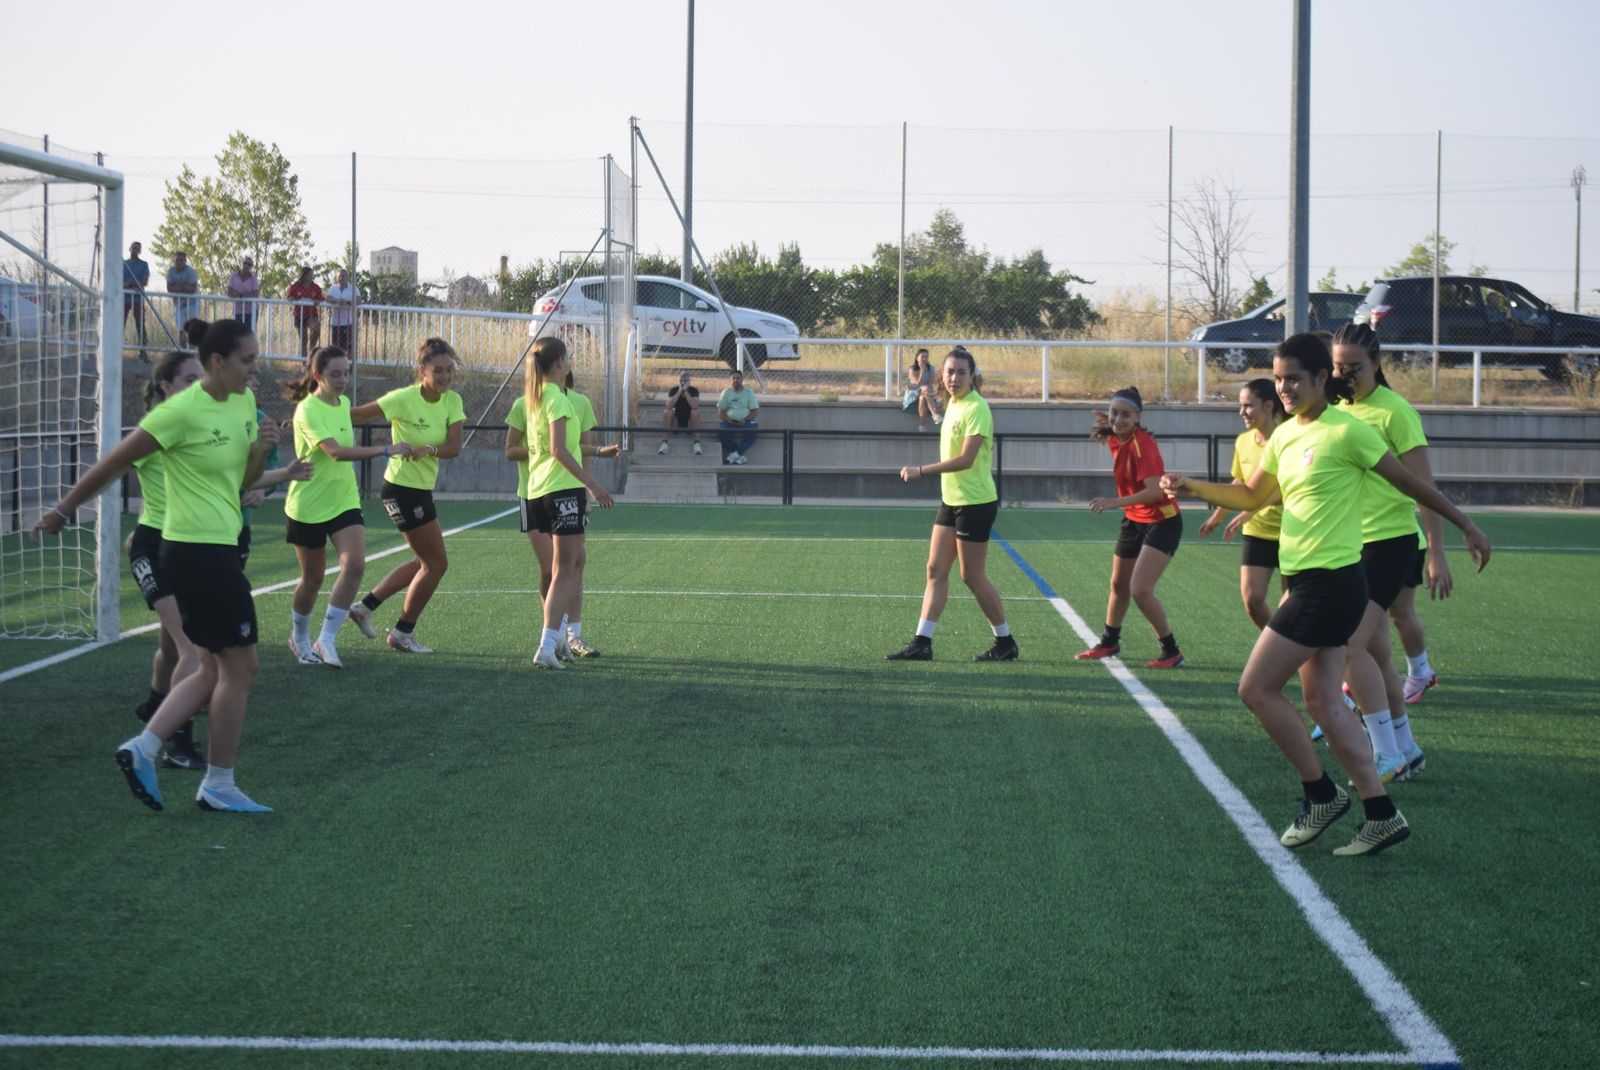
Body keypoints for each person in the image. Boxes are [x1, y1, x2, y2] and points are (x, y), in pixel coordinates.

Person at [1161, 333, 1490, 856]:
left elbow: (1411, 483)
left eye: (1294, 378)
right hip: (1310, 581)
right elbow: (1252, 495)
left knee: (1256, 689)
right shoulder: (1286, 436)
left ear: (1321, 378)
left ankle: (1320, 794)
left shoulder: (1348, 430)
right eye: (1278, 379)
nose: (1284, 388)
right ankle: (1381, 814)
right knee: (1323, 703)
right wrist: (1193, 486)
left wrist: (1463, 526)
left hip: (1330, 583)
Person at [32, 320, 310, 813]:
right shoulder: (179, 412)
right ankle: (218, 783)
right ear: (218, 362)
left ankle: (144, 746)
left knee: (210, 667)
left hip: (219, 547)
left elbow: (241, 481)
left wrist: (264, 450)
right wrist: (64, 508)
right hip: (195, 552)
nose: (256, 369)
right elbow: (113, 463)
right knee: (241, 668)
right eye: (247, 360)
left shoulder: (243, 403)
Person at [1329, 321, 1457, 779]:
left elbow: (1425, 486)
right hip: (1353, 542)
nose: (1345, 374)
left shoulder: (1394, 412)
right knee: (1378, 651)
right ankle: (1406, 747)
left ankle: (1385, 753)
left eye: (1354, 366)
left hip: (1390, 542)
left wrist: (1436, 551)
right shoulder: (1336, 410)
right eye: (1338, 366)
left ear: (1377, 363)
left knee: (1349, 646)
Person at [885, 346, 1017, 663]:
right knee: (935, 569)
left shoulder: (977, 408)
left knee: (971, 576)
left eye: (961, 372)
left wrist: (921, 470)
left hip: (975, 503)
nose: (954, 378)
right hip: (951, 501)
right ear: (941, 375)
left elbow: (966, 459)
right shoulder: (952, 404)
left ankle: (1005, 642)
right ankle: (922, 642)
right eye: (949, 372)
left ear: (972, 376)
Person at [283, 346, 400, 669]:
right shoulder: (307, 409)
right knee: (312, 579)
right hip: (308, 504)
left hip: (344, 499)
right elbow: (334, 452)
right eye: (335, 374)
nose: (342, 379)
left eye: (346, 373)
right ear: (317, 375)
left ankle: (326, 639)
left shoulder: (344, 404)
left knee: (355, 565)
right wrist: (384, 450)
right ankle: (299, 637)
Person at [347, 337, 465, 653]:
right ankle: (402, 632)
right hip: (401, 490)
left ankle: (364, 608)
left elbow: (454, 447)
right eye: (438, 371)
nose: (445, 376)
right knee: (436, 565)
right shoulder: (403, 398)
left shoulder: (452, 401)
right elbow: (356, 415)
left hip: (420, 491)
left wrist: (430, 449)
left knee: (423, 562)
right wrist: (315, 409)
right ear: (422, 371)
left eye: (449, 370)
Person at [127, 350, 207, 770]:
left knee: (172, 645)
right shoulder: (156, 429)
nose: (201, 388)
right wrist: (66, 508)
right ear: (166, 386)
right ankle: (178, 744)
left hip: (184, 545)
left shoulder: (192, 426)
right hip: (157, 547)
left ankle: (156, 705)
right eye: (191, 381)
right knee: (189, 646)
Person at [508, 365, 620, 661]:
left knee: (573, 563)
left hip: (566, 489)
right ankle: (551, 639)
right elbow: (523, 449)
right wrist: (541, 450)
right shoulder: (529, 402)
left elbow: (575, 448)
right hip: (537, 490)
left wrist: (595, 459)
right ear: (559, 364)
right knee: (555, 569)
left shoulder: (577, 402)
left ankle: (568, 635)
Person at [1077, 386, 1185, 669]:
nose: (1118, 419)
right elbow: (1111, 424)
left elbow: (1155, 492)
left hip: (1162, 521)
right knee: (1118, 584)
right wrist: (1107, 418)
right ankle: (1109, 642)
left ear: (1139, 417)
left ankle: (1171, 651)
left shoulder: (1143, 445)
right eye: (1114, 413)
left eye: (1126, 414)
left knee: (1140, 589)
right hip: (1134, 520)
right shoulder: (1116, 435)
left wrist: (1114, 502)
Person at [1197, 379, 1288, 630]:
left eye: (1248, 406)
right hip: (1257, 533)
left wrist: (1248, 512)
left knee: (1291, 605)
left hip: (1291, 533)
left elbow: (1285, 486)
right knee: (1252, 601)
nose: (1242, 412)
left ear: (1268, 405)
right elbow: (1240, 482)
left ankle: (1288, 646)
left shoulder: (1287, 438)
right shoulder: (1243, 441)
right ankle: (1277, 644)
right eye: (1240, 405)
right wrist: (1217, 517)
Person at [716, 369, 760, 465]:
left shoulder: (749, 392)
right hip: (729, 422)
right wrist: (727, 419)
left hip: (745, 421)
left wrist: (746, 419)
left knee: (754, 429)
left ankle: (734, 454)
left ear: (742, 379)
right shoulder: (726, 392)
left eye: (738, 378)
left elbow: (755, 411)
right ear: (730, 380)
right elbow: (720, 412)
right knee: (721, 431)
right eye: (733, 378)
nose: (735, 380)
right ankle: (738, 454)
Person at [658, 371, 703, 455]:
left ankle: (696, 443)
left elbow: (694, 405)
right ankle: (664, 443)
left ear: (689, 381)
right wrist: (679, 391)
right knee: (667, 411)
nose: (683, 383)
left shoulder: (694, 390)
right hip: (676, 422)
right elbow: (668, 405)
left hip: (690, 423)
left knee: (695, 412)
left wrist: (685, 391)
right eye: (681, 381)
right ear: (678, 380)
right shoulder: (673, 390)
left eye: (685, 381)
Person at [287, 266, 325, 360]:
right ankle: (304, 363)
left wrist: (317, 301)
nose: (312, 276)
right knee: (303, 339)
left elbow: (321, 298)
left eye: (312, 275)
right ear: (304, 275)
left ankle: (311, 349)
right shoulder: (295, 286)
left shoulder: (315, 287)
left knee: (316, 330)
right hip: (299, 315)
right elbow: (289, 297)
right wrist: (292, 298)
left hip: (312, 314)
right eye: (309, 274)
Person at [905, 348, 942, 431]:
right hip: (914, 392)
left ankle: (921, 426)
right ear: (917, 358)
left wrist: (925, 389)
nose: (924, 359)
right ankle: (935, 414)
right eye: (922, 357)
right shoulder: (912, 369)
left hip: (926, 393)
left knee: (923, 398)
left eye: (926, 357)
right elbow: (918, 384)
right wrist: (922, 370)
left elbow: (930, 384)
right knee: (925, 390)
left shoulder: (931, 368)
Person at [122, 241, 151, 349]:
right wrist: (131, 285)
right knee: (120, 324)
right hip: (123, 299)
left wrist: (132, 285)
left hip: (138, 299)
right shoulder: (123, 264)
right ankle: (117, 349)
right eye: (134, 248)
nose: (135, 250)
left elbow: (144, 282)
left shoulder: (144, 264)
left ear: (140, 251)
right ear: (130, 248)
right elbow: (119, 282)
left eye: (138, 249)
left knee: (140, 324)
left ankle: (143, 351)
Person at [325, 268, 360, 353]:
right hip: (336, 323)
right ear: (336, 278)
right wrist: (337, 301)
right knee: (335, 348)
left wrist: (348, 302)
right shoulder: (333, 288)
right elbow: (328, 299)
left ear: (347, 277)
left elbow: (358, 300)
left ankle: (349, 362)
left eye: (344, 276)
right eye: (339, 276)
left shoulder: (353, 288)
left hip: (349, 323)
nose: (341, 278)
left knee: (349, 349)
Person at [165, 251, 200, 336]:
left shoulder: (191, 271)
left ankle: (194, 344)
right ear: (174, 261)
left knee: (194, 328)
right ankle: (182, 344)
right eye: (177, 260)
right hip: (179, 305)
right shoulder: (171, 271)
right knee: (181, 329)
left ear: (185, 261)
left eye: (181, 260)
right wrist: (184, 288)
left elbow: (192, 288)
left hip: (192, 304)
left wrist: (177, 289)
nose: (179, 262)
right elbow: (169, 288)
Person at [226, 257, 261, 329]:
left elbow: (255, 294)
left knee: (249, 333)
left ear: (251, 267)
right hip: (238, 311)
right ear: (241, 263)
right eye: (245, 263)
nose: (246, 266)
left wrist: (241, 294)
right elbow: (229, 292)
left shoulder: (253, 278)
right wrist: (244, 294)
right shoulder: (233, 275)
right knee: (237, 333)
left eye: (249, 264)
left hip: (251, 312)